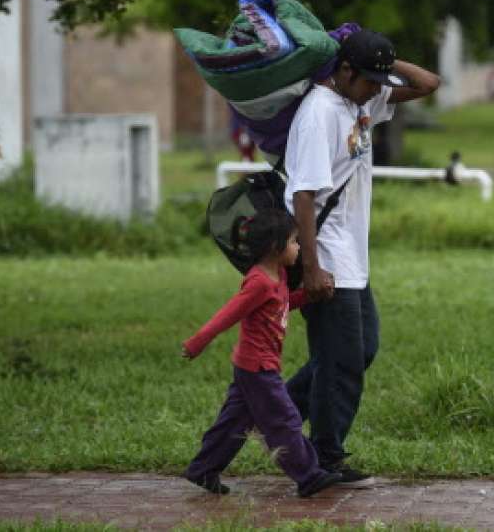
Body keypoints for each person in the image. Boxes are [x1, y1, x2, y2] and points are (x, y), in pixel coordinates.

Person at [283, 29, 440, 485]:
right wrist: (311, 266)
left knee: (358, 349)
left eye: (380, 80)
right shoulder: (319, 114)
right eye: (369, 78)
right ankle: (324, 457)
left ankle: (278, 411)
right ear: (344, 71)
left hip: (353, 255)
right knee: (343, 359)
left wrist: (385, 61)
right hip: (327, 254)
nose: (378, 88)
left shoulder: (361, 101)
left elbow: (428, 84)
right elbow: (304, 196)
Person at [180, 209, 342, 498]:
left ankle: (203, 469)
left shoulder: (277, 275)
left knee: (234, 422)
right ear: (275, 246)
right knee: (284, 419)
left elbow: (281, 305)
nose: (298, 247)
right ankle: (308, 475)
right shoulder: (258, 282)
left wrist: (309, 295)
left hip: (250, 366)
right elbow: (227, 315)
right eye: (294, 241)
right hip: (258, 369)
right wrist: (197, 342)